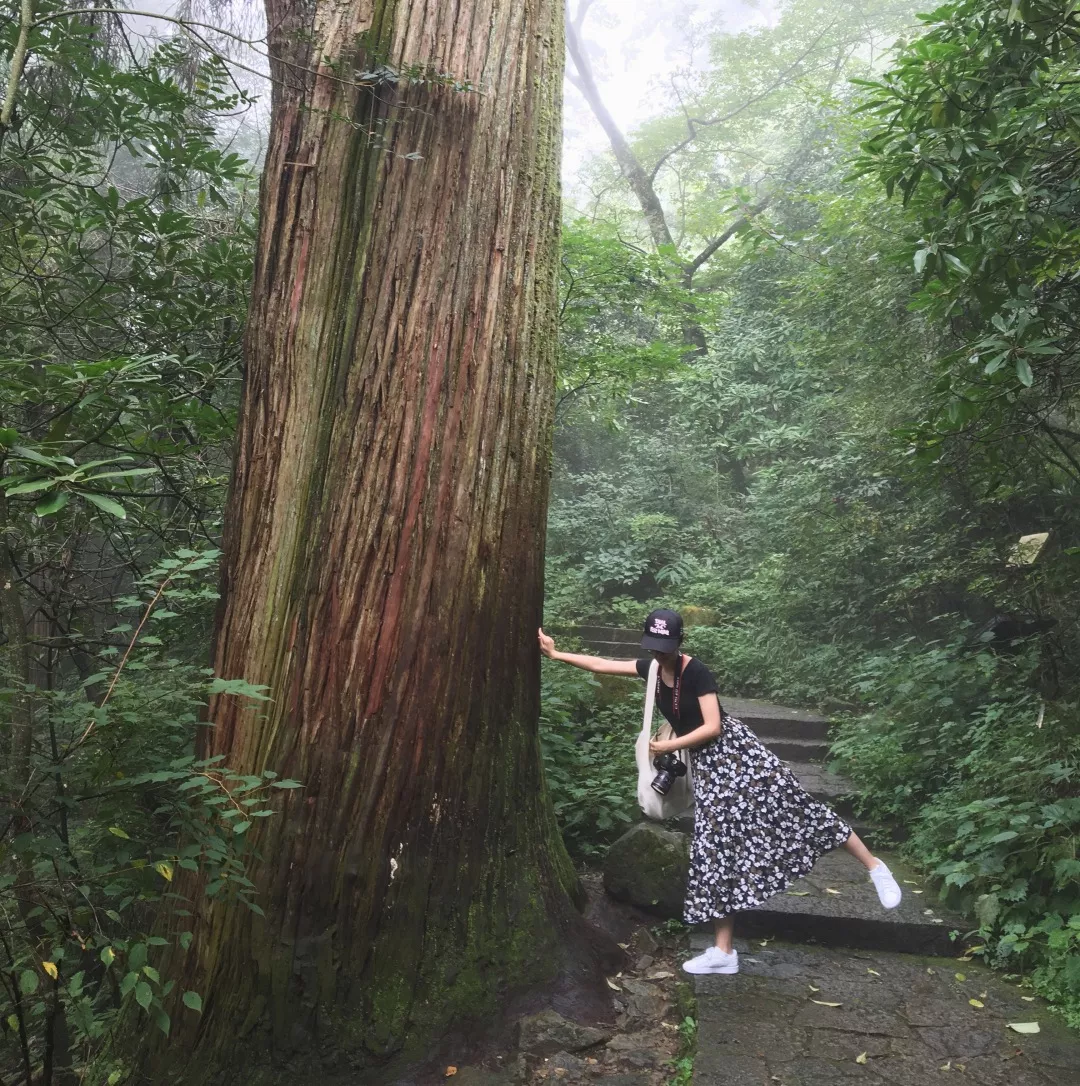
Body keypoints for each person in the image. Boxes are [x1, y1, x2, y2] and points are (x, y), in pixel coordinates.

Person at [537, 608, 902, 976]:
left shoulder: (695, 671)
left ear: (679, 643)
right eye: (654, 647)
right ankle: (724, 952)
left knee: (798, 807)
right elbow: (601, 664)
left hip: (737, 754)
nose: (660, 654)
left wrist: (667, 746)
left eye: (666, 647)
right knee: (714, 850)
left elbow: (712, 726)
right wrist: (556, 653)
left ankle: (875, 867)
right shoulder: (651, 671)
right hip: (708, 768)